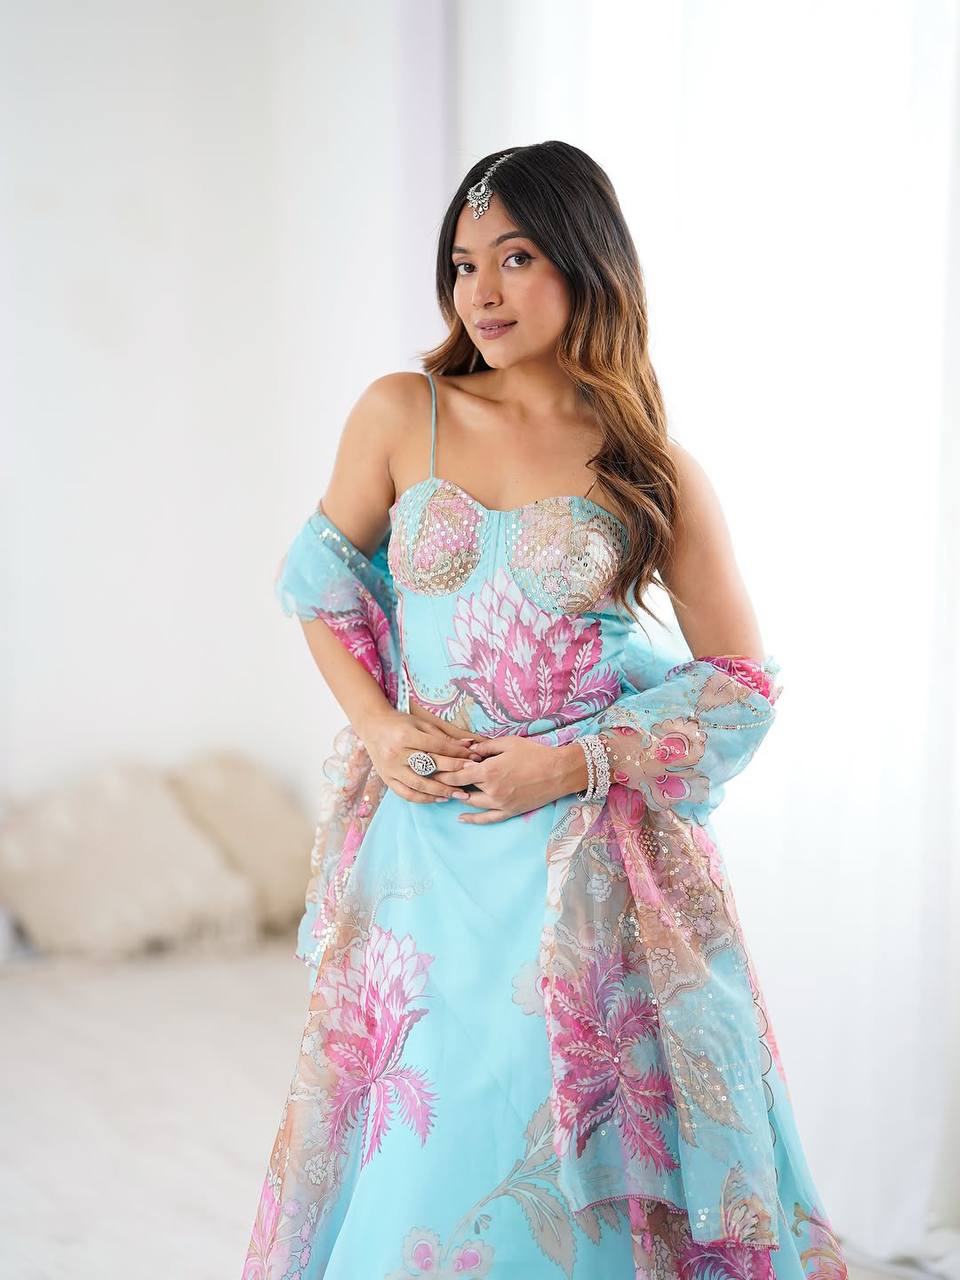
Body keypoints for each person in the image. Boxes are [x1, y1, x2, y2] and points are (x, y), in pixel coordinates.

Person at [242, 142, 848, 1280]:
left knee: (579, 1136)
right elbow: (319, 588)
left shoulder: (651, 465)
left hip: (592, 860)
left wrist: (570, 765)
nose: (481, 290)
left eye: (515, 258)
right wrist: (380, 726)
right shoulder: (402, 412)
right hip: (431, 851)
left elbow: (740, 685)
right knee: (437, 1131)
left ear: (586, 261)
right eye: (464, 263)